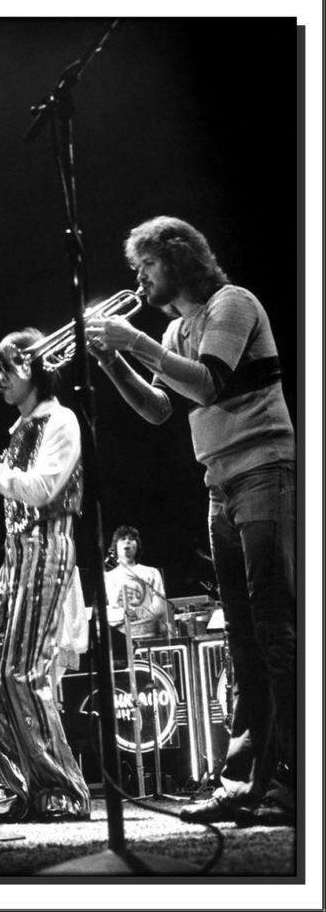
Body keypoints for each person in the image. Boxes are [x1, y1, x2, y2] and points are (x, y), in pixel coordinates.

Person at [86, 216, 295, 826]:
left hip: (264, 469)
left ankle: (292, 777)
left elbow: (209, 386)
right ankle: (247, 778)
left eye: (145, 264)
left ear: (176, 259)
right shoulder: (176, 328)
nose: (138, 277)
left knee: (274, 625)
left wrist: (134, 342)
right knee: (244, 636)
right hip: (219, 486)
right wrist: (111, 362)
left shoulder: (233, 304)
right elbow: (157, 408)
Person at [0, 328, 91, 823]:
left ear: (34, 369)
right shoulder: (22, 429)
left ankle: (62, 790)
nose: (0, 379)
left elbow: (42, 490)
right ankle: (26, 787)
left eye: (7, 367)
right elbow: (16, 509)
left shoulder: (61, 421)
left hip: (47, 550)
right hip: (18, 553)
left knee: (21, 671)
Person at [105, 524, 171, 641]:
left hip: (148, 634)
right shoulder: (108, 577)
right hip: (119, 637)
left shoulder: (151, 572)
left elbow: (160, 606)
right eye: (123, 539)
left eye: (131, 539)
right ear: (115, 546)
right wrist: (123, 614)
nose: (127, 542)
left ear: (137, 545)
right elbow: (103, 610)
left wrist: (140, 615)